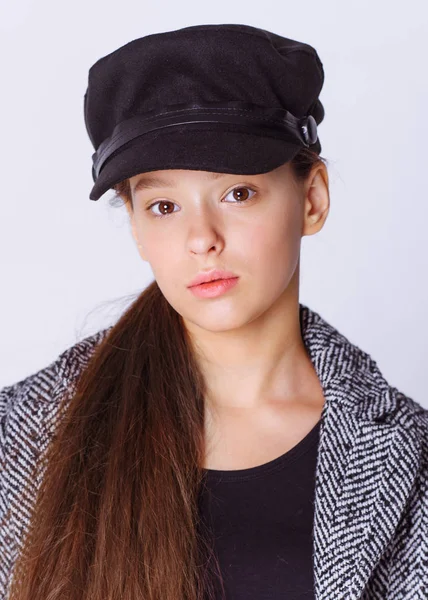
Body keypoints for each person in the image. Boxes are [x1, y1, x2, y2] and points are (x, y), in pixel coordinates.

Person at [0, 23, 426, 600]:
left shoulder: (407, 453)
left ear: (312, 199)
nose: (201, 238)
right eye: (164, 205)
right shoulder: (24, 433)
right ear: (136, 228)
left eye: (237, 193)